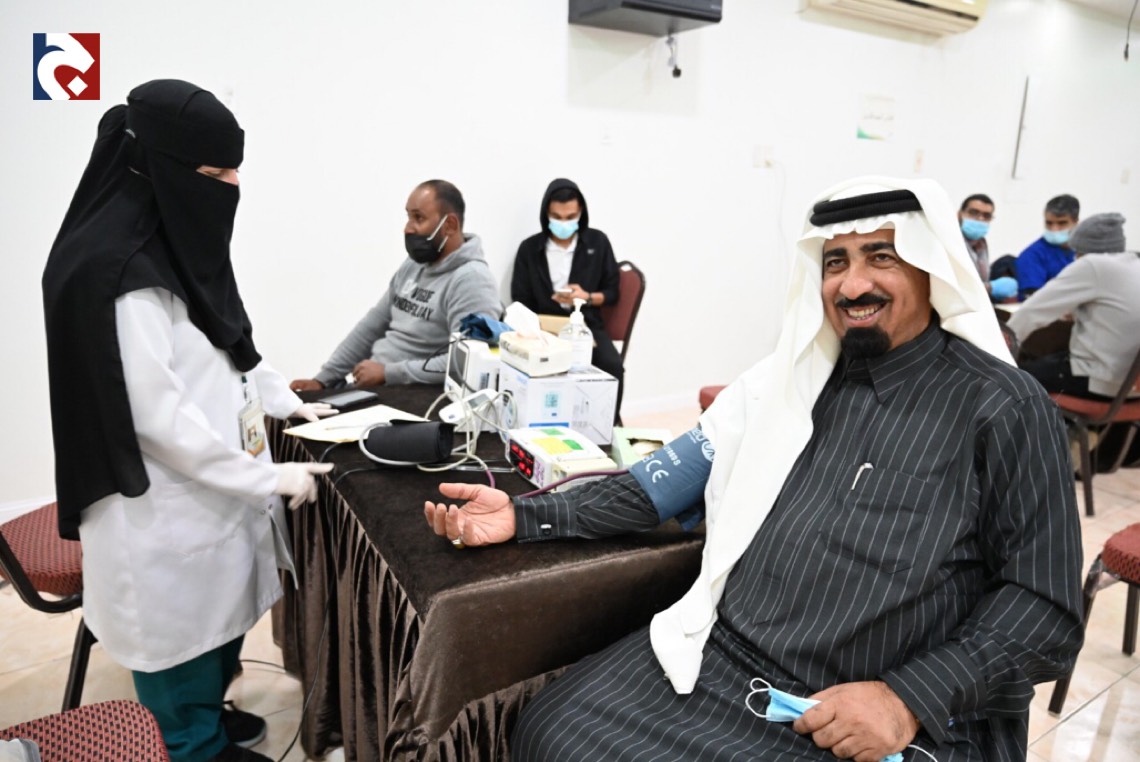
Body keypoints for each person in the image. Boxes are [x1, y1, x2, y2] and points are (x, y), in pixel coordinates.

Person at [425, 177, 1083, 761]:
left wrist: (906, 698)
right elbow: (656, 488)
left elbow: (1045, 605)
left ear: (929, 266)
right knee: (552, 729)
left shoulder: (1002, 406)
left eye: (881, 256)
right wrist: (526, 516)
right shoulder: (781, 384)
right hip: (728, 660)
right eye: (835, 262)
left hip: (860, 704)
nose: (853, 284)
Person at [42, 80, 336, 762]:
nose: (233, 186)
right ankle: (191, 745)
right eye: (217, 172)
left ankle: (210, 719)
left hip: (214, 496)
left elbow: (230, 344)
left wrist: (285, 400)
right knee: (179, 655)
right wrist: (265, 478)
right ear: (160, 168)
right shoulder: (118, 276)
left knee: (217, 632)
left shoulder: (177, 238)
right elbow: (158, 421)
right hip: (159, 515)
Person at [290, 180, 501, 391]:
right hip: (377, 384)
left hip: (411, 392)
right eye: (408, 217)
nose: (408, 228)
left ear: (450, 225)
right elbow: (373, 325)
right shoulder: (413, 266)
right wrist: (324, 379)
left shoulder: (472, 280)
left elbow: (466, 362)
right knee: (293, 405)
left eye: (419, 218)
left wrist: (388, 373)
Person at [510, 179, 624, 408]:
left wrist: (586, 297)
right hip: (543, 327)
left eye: (570, 217)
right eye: (557, 217)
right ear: (546, 214)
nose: (563, 223)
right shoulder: (530, 249)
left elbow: (612, 292)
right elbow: (520, 297)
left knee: (613, 365)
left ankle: (610, 422)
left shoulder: (598, 242)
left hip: (587, 325)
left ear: (581, 213)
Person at [1008, 212, 1140, 399]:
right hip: (1132, 387)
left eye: (1076, 252)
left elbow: (1031, 312)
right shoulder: (1134, 263)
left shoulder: (1093, 264)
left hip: (1099, 381)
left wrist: (1000, 347)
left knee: (1012, 378)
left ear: (1085, 249)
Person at [1016, 194, 1080, 300]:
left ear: (1076, 222)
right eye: (1049, 223)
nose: (1054, 229)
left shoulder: (1084, 252)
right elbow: (1033, 298)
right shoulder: (1032, 255)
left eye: (1062, 223)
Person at [958, 193, 1017, 301]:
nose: (980, 219)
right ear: (959, 214)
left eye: (986, 215)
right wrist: (990, 287)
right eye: (973, 212)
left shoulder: (981, 243)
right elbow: (954, 288)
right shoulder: (951, 241)